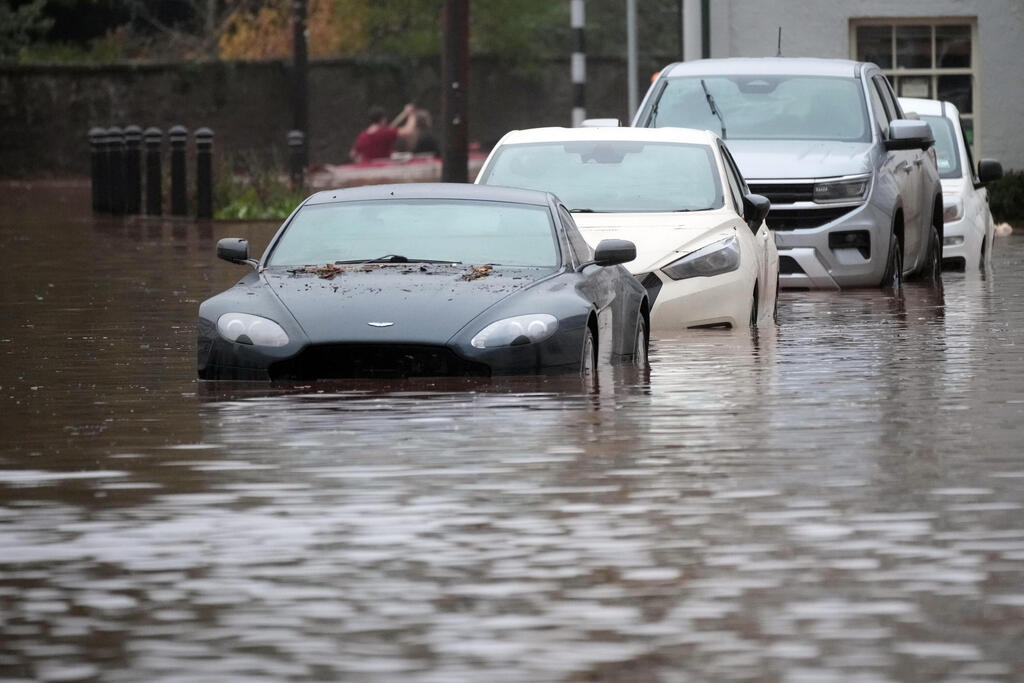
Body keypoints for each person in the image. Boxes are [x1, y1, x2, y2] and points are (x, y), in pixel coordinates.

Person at [349, 104, 417, 162]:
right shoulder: (385, 132)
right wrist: (411, 115)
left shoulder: (362, 136)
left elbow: (353, 154)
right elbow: (408, 132)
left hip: (368, 167)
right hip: (384, 166)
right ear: (383, 119)